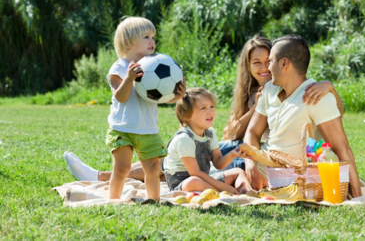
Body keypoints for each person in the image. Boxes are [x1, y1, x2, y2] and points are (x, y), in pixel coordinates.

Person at [64, 35, 342, 182]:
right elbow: (232, 131)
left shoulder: (295, 86)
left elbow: (332, 113)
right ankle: (105, 176)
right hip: (239, 151)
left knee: (177, 160)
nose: (263, 67)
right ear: (248, 67)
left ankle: (103, 176)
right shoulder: (255, 94)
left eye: (267, 60)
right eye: (255, 63)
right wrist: (254, 107)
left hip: (264, 158)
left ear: (280, 61)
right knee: (180, 156)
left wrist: (329, 85)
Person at [243, 34, 362, 197]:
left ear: (284, 63)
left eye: (270, 61)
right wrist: (251, 165)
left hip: (289, 179)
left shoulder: (317, 97)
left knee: (209, 173)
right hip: (251, 164)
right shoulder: (269, 89)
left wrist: (358, 195)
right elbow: (252, 132)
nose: (268, 68)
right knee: (211, 162)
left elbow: (342, 148)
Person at [103, 17, 185, 201]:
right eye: (146, 36)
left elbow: (159, 97)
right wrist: (129, 78)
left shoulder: (155, 65)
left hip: (147, 129)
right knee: (122, 168)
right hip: (122, 128)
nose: (152, 41)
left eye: (153, 37)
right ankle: (114, 200)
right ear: (127, 42)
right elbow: (121, 97)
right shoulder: (119, 68)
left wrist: (176, 96)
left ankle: (153, 201)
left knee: (153, 168)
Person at [162, 88, 253, 194]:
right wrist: (224, 187)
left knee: (238, 172)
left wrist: (232, 154)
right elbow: (195, 173)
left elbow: (218, 163)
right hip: (182, 183)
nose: (210, 111)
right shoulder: (184, 139)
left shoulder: (210, 134)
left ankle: (248, 194)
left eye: (211, 106)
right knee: (194, 181)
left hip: (204, 179)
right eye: (203, 108)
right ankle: (226, 194)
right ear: (187, 115)